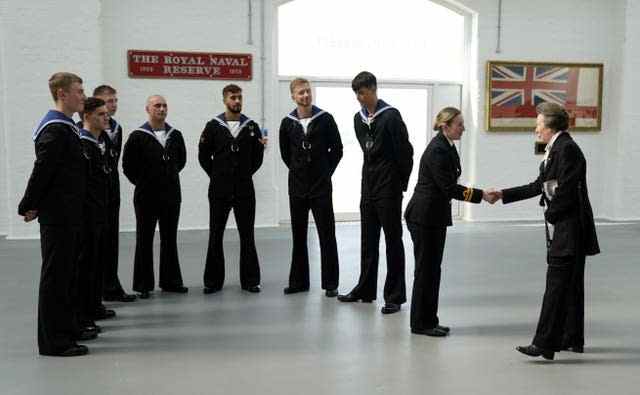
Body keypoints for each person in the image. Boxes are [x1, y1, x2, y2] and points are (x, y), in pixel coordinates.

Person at [491, 102, 600, 360]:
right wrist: (503, 195)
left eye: (538, 124)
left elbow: (567, 191)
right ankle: (571, 339)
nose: (536, 128)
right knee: (570, 285)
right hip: (568, 226)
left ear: (550, 125)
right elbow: (539, 185)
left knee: (556, 286)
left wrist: (551, 215)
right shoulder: (558, 148)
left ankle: (544, 344)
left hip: (570, 229)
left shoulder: (567, 149)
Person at [404, 107, 494, 337]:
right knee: (426, 271)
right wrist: (481, 194)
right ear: (446, 126)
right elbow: (449, 188)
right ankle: (420, 323)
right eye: (459, 124)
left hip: (433, 216)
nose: (463, 128)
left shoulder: (447, 147)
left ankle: (429, 319)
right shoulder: (437, 151)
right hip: (424, 217)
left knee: (433, 270)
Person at [18, 72, 89, 356]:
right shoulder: (54, 129)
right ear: (62, 94)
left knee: (67, 274)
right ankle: (53, 342)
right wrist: (28, 203)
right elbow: (43, 169)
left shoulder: (67, 127)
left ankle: (67, 328)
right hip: (58, 214)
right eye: (79, 91)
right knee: (56, 276)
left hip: (69, 212)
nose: (83, 96)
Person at [338, 71, 413, 314]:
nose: (359, 98)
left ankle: (394, 296)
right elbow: (367, 152)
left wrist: (399, 184)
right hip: (368, 187)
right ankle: (365, 289)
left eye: (362, 92)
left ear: (373, 89)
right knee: (367, 241)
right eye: (356, 94)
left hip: (389, 189)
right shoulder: (358, 119)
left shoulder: (391, 116)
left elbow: (406, 153)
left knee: (393, 242)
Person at [279, 78, 343, 297]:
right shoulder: (287, 123)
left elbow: (337, 149)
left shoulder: (325, 119)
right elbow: (286, 154)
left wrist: (324, 172)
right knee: (298, 235)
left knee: (327, 234)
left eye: (307, 91)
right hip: (297, 188)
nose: (305, 96)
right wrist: (299, 171)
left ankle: (331, 283)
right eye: (300, 93)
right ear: (293, 96)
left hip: (321, 187)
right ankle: (298, 282)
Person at [198, 84, 264, 294]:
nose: (237, 101)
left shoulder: (252, 126)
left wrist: (243, 175)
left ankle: (251, 281)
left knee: (247, 235)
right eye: (233, 97)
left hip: (245, 190)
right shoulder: (213, 126)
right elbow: (203, 156)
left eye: (239, 97)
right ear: (225, 100)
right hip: (219, 190)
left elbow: (257, 158)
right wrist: (218, 175)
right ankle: (213, 282)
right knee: (216, 235)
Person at [122, 95, 188, 299]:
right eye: (157, 105)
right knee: (144, 239)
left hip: (171, 195)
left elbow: (181, 161)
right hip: (146, 197)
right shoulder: (137, 136)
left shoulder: (175, 135)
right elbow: (128, 167)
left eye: (164, 105)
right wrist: (144, 182)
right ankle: (143, 284)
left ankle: (171, 281)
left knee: (170, 238)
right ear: (148, 109)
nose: (161, 109)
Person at [93, 85, 137, 303]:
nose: (113, 105)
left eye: (115, 101)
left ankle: (111, 286)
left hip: (112, 189)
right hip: (93, 193)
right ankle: (93, 293)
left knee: (111, 240)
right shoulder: (86, 129)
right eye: (109, 101)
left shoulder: (117, 128)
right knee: (94, 244)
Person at [77, 97, 113, 332]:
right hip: (87, 213)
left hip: (102, 209)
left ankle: (94, 305)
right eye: (101, 114)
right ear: (87, 116)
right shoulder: (83, 143)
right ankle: (83, 314)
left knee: (98, 262)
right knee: (85, 266)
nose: (106, 116)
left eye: (106, 113)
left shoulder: (103, 140)